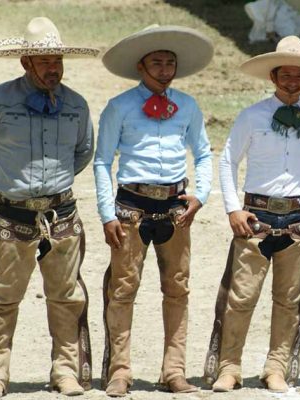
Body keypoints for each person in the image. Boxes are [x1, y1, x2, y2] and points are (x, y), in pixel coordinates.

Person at [0, 17, 98, 399]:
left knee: (67, 295)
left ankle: (66, 372)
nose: (53, 68)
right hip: (13, 214)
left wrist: (55, 182)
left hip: (62, 213)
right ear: (26, 63)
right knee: (2, 296)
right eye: (44, 61)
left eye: (57, 61)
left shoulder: (76, 104)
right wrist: (3, 179)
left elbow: (84, 151)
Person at [203, 36, 300, 393]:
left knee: (289, 298)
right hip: (256, 216)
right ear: (273, 76)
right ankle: (229, 366)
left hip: (296, 217)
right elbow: (228, 159)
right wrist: (233, 208)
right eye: (286, 74)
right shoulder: (252, 116)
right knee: (241, 295)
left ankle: (276, 367)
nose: (293, 82)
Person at [94, 25, 213, 396]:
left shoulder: (188, 106)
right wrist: (106, 213)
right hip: (132, 207)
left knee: (177, 289)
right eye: (157, 62)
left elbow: (204, 153)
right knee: (123, 289)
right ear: (141, 67)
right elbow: (102, 161)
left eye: (170, 63)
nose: (164, 69)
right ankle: (120, 371)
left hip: (176, 207)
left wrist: (202, 195)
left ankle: (174, 371)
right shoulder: (120, 107)